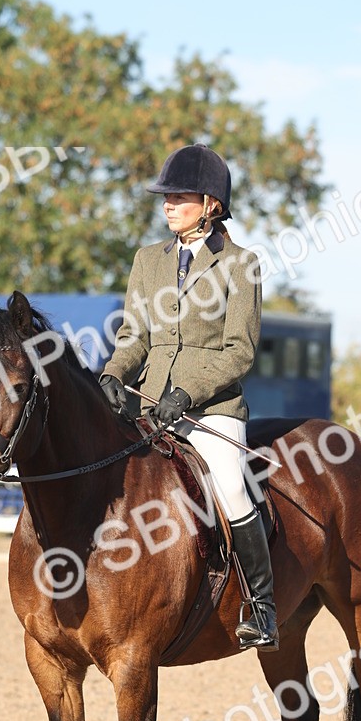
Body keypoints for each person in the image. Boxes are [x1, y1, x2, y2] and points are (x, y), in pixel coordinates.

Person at [99, 143, 278, 651]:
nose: (167, 204)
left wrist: (189, 392)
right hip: (153, 405)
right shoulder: (147, 261)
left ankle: (261, 606)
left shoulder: (241, 264)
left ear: (210, 203)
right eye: (165, 196)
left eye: (179, 196)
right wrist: (113, 374)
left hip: (212, 411)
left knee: (231, 488)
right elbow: (134, 336)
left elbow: (239, 352)